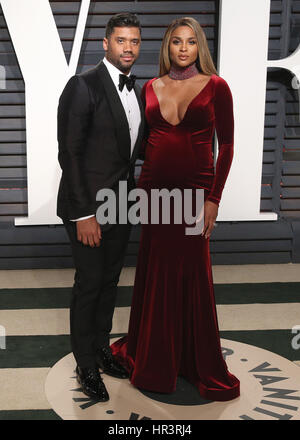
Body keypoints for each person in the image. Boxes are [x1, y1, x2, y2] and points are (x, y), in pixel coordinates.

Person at [110, 17, 240, 401]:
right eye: (176, 43)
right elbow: (143, 142)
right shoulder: (150, 86)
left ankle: (192, 360)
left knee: (192, 277)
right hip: (154, 196)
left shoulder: (217, 87)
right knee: (155, 274)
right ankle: (154, 357)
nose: (183, 49)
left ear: (200, 47)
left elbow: (228, 146)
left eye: (191, 43)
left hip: (195, 197)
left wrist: (213, 198)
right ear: (167, 47)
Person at [56, 12, 145, 401]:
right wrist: (83, 214)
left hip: (123, 202)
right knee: (89, 284)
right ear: (105, 44)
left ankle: (102, 349)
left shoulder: (138, 89)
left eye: (135, 41)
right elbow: (70, 154)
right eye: (121, 40)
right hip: (89, 207)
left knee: (110, 282)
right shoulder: (82, 86)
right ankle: (85, 365)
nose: (129, 47)